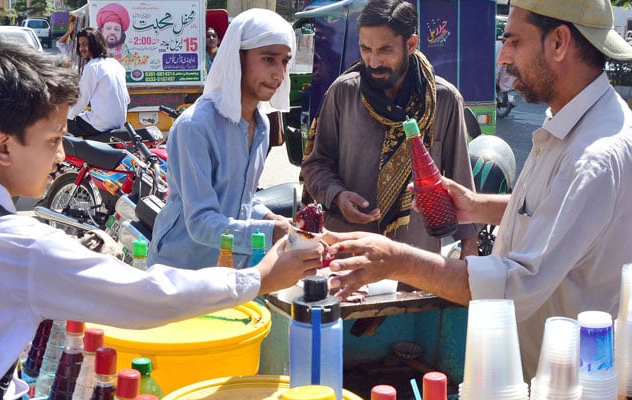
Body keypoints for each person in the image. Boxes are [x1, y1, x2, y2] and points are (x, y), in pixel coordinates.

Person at [0, 39, 323, 398]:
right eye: (53, 141)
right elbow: (149, 297)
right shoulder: (21, 245)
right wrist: (261, 278)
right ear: (2, 147)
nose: (60, 158)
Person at [324, 0, 632, 382]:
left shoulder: (592, 156)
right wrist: (474, 205)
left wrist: (396, 261)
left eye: (515, 42)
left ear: (559, 43)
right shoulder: (571, 124)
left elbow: (515, 288)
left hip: (565, 383)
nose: (503, 57)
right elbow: (553, 212)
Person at [300, 0, 477, 258]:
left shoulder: (444, 100)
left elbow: (461, 180)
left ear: (411, 45)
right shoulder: (344, 93)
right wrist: (337, 196)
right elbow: (315, 164)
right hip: (349, 253)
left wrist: (469, 247)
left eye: (385, 50)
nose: (373, 61)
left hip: (416, 258)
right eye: (365, 49)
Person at [147, 8, 295, 270]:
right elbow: (201, 222)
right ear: (238, 58)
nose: (279, 75)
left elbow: (239, 199)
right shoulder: (195, 126)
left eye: (284, 61)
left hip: (232, 271)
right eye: (269, 59)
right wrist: (269, 232)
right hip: (182, 272)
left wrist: (270, 218)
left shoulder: (260, 126)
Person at [67, 27, 130, 137]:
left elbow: (82, 99)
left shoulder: (92, 67)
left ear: (95, 44)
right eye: (80, 45)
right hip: (119, 122)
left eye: (85, 44)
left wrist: (66, 116)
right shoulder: (115, 64)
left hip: (101, 124)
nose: (81, 48)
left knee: (62, 124)